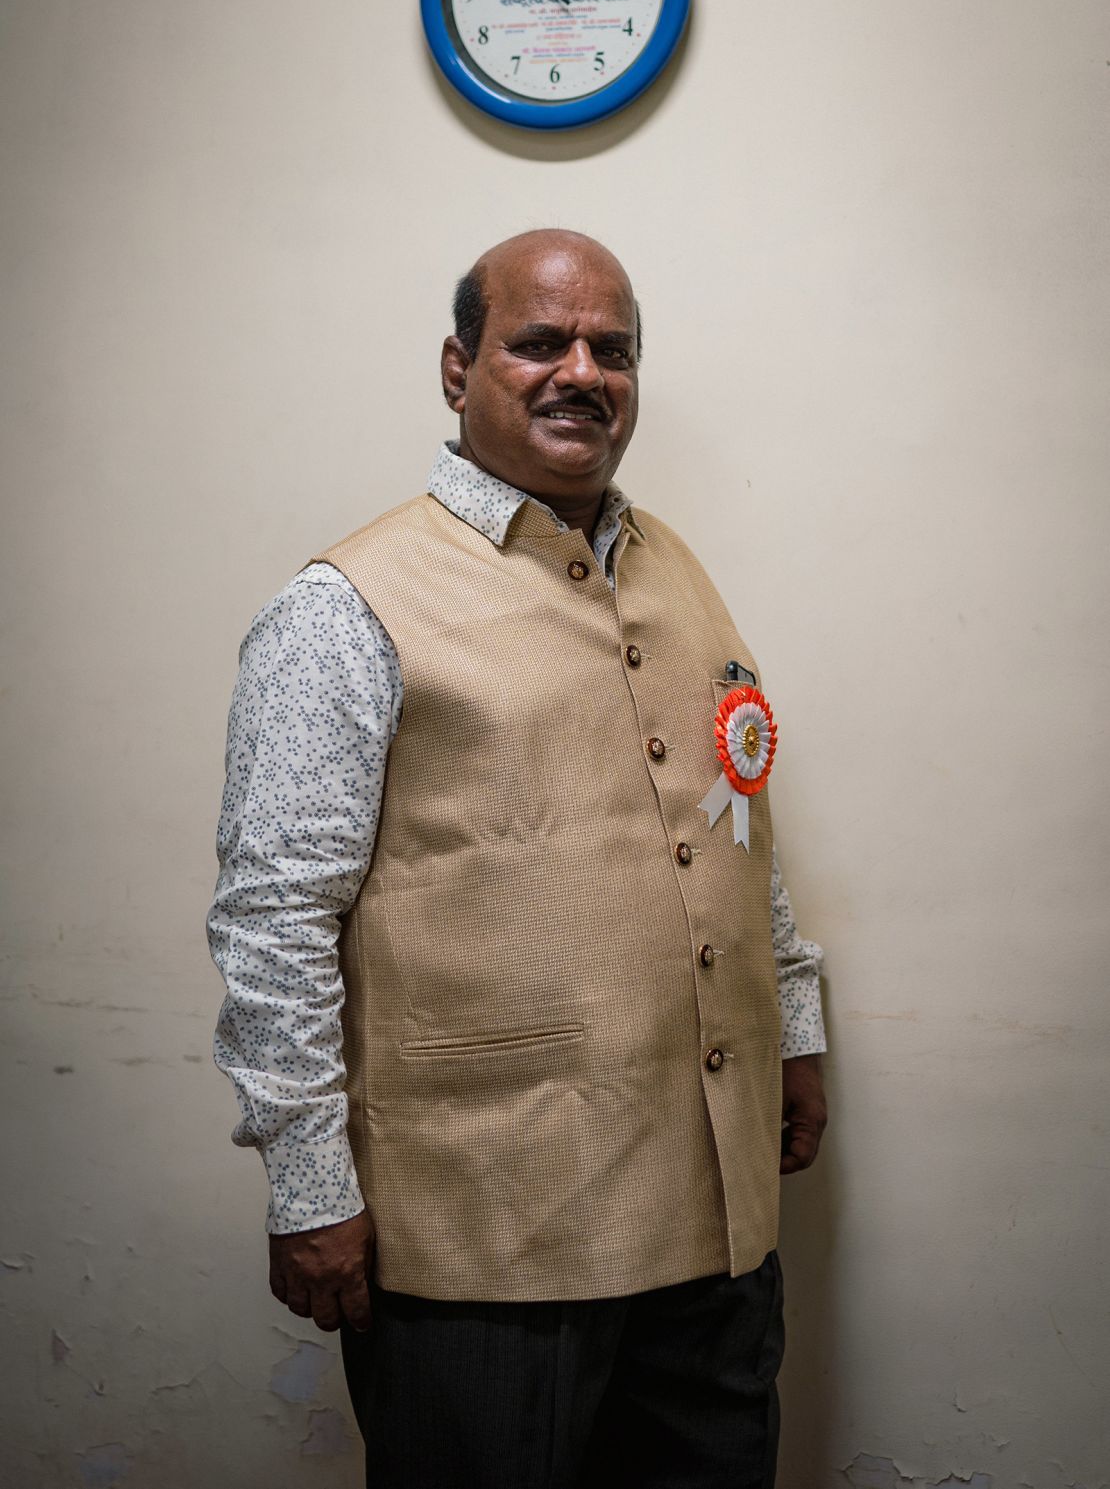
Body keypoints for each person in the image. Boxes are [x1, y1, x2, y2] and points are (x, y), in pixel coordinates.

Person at [206, 229, 828, 1488]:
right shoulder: (347, 607)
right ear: (458, 367)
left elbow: (733, 823)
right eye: (539, 342)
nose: (581, 372)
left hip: (710, 1223)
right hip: (487, 1241)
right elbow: (273, 917)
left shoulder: (678, 571)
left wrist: (794, 1030)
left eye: (614, 349)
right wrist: (308, 1186)